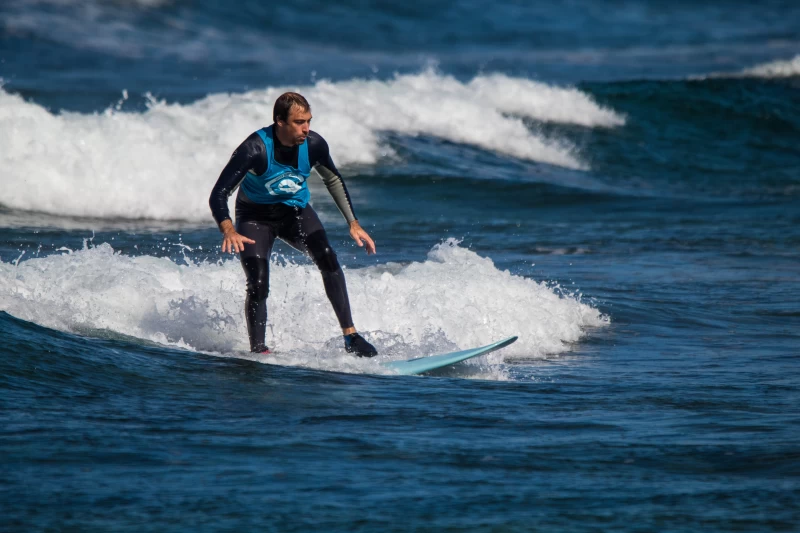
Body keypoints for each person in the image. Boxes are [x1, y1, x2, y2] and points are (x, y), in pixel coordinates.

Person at [209, 92, 378, 357]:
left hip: (295, 211)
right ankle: (259, 351)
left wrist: (353, 223)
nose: (306, 128)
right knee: (258, 283)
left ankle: (351, 337)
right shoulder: (255, 149)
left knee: (327, 257)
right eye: (299, 122)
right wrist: (228, 229)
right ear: (279, 121)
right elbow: (219, 193)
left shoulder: (314, 145)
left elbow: (333, 179)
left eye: (308, 120)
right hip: (254, 217)